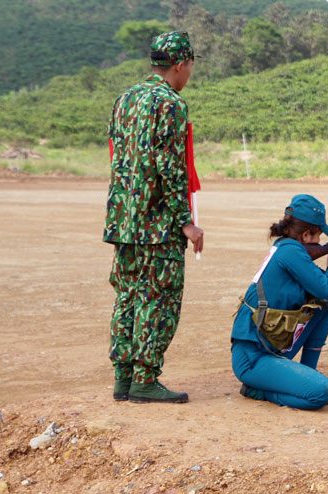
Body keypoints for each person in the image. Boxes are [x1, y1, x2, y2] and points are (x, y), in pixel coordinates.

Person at [104, 31, 203, 404]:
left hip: (124, 222)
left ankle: (123, 378)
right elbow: (170, 167)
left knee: (127, 297)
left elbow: (118, 158)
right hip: (157, 225)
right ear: (180, 64)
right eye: (190, 66)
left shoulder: (124, 99)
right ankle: (145, 380)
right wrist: (185, 221)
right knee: (159, 300)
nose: (189, 73)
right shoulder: (170, 103)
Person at [230, 194, 328, 410]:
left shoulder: (291, 249)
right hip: (253, 357)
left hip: (271, 348)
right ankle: (258, 390)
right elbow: (326, 289)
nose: (321, 242)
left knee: (325, 308)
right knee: (320, 393)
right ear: (306, 234)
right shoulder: (291, 252)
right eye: (318, 236)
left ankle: (308, 372)